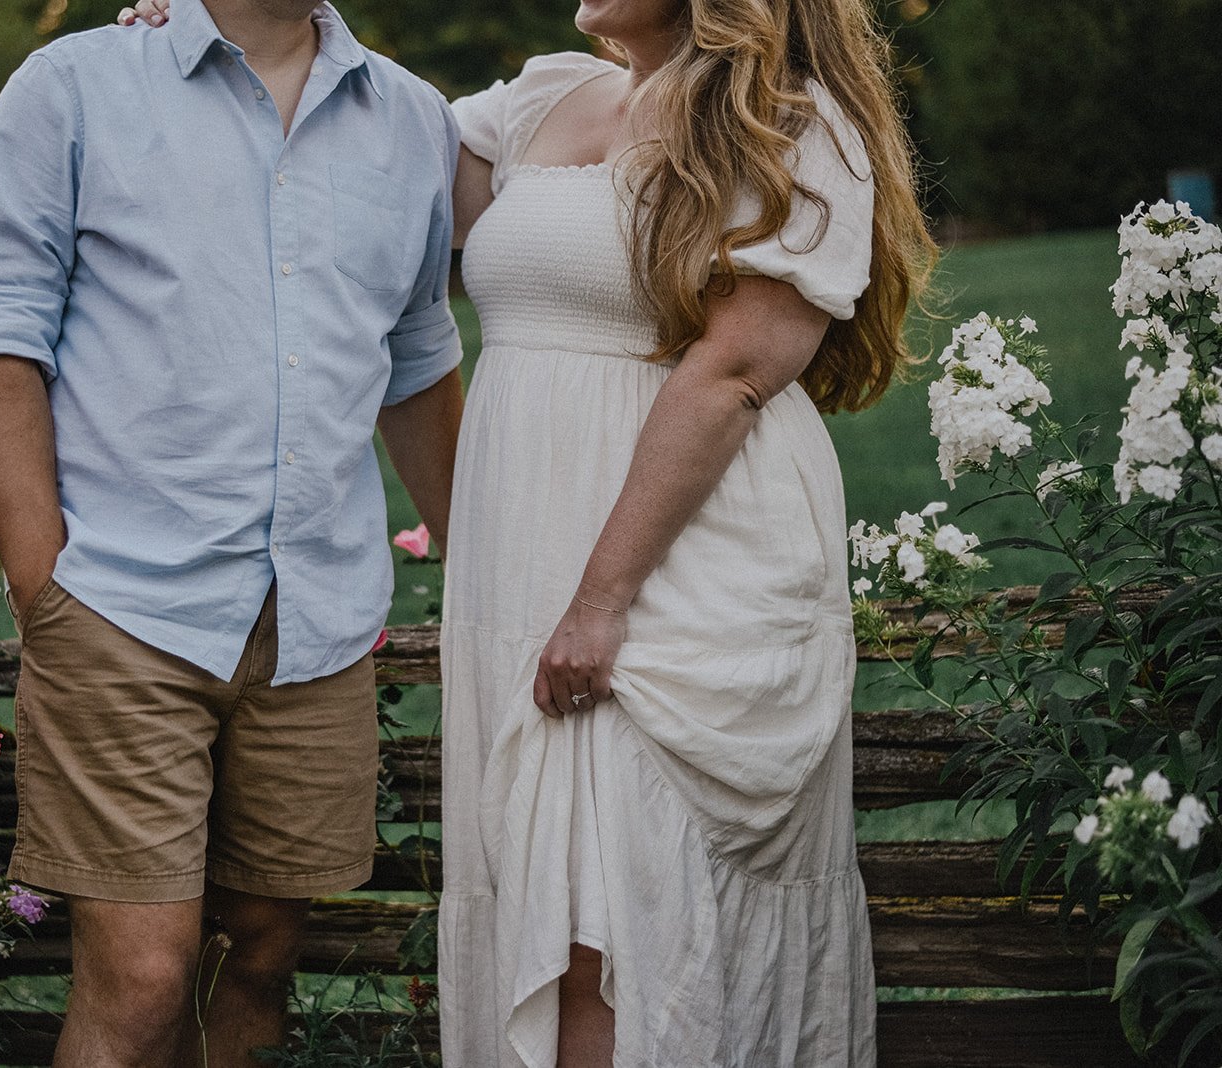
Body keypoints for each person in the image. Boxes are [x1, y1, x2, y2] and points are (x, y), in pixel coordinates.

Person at [124, 0, 934, 1063]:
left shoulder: (789, 121)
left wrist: (601, 603)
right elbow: (340, 145)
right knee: (548, 906)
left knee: (619, 917)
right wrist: (232, 32)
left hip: (677, 562)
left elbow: (737, 370)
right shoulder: (544, 99)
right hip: (529, 557)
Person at [0, 1, 465, 1064]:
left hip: (317, 623)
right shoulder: (72, 88)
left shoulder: (415, 119)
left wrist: (478, 562)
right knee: (140, 978)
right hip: (121, 604)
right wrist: (46, 584)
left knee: (259, 955)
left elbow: (415, 352)